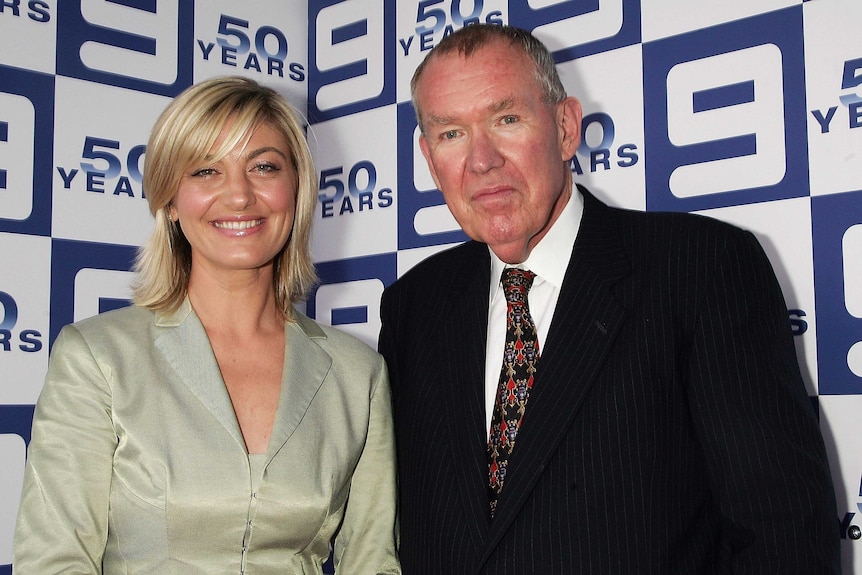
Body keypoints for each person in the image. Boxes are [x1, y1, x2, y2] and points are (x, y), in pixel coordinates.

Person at [378, 24, 840, 574]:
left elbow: (783, 535)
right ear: (430, 162)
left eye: (506, 119)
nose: (481, 161)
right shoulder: (412, 306)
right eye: (451, 133)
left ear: (566, 127)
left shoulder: (701, 268)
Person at [14, 76, 400, 574]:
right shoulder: (98, 358)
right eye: (206, 171)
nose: (239, 195)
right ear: (171, 202)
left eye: (263, 166)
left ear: (297, 188)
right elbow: (54, 561)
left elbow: (372, 562)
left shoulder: (357, 373)